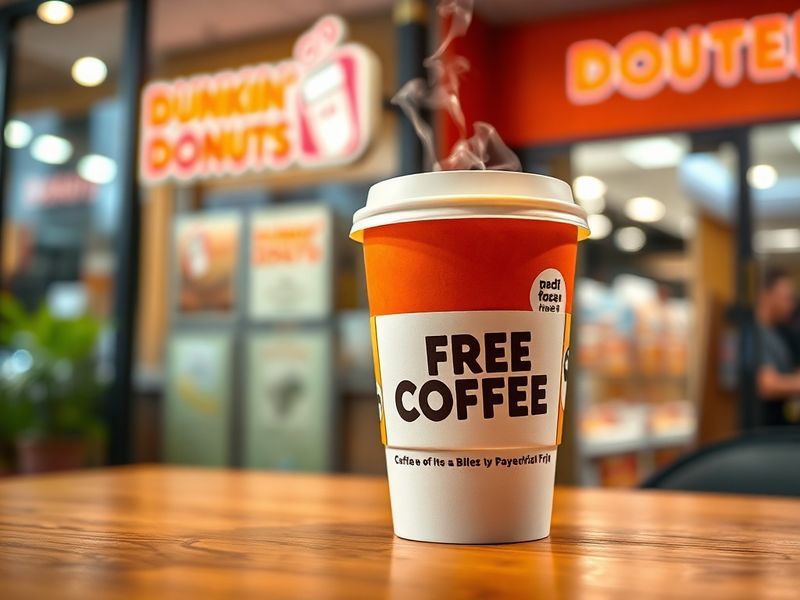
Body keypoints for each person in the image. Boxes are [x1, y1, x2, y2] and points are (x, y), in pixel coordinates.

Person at [756, 268, 800, 426]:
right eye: (787, 298)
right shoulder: (756, 334)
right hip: (764, 431)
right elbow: (767, 385)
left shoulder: (782, 332)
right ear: (766, 295)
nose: (792, 304)